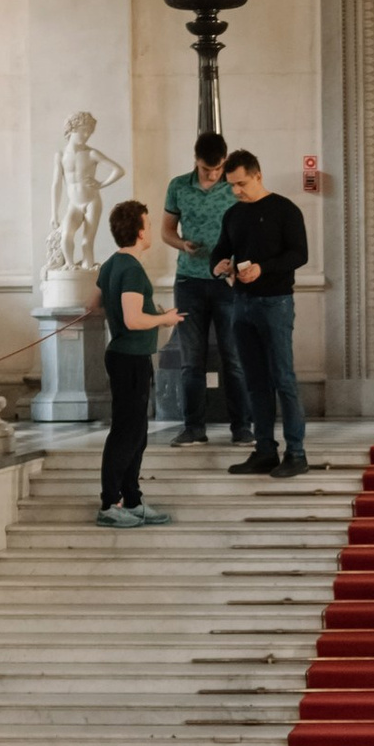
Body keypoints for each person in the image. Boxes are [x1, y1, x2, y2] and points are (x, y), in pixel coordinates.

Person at [214, 150, 310, 476]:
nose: (237, 190)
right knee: (254, 381)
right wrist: (220, 263)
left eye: (241, 183)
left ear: (258, 175)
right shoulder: (233, 214)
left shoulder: (285, 210)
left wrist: (262, 268)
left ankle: (296, 454)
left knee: (283, 378)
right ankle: (264, 449)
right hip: (241, 304)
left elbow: (299, 254)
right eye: (232, 186)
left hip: (276, 302)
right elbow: (221, 249)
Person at [160, 129, 247, 447]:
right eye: (206, 169)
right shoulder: (178, 186)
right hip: (189, 282)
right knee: (190, 360)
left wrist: (238, 264)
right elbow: (166, 231)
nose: (212, 175)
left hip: (226, 283)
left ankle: (242, 428)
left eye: (217, 168)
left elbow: (248, 229)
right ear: (195, 161)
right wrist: (182, 245)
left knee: (233, 357)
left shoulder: (234, 187)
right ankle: (193, 428)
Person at [93, 200, 177, 529]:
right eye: (149, 224)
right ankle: (109, 503)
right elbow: (132, 320)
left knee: (136, 433)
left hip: (127, 357)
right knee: (127, 433)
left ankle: (133, 499)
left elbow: (94, 304)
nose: (151, 230)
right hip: (130, 358)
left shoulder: (111, 265)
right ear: (141, 232)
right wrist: (164, 318)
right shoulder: (130, 269)